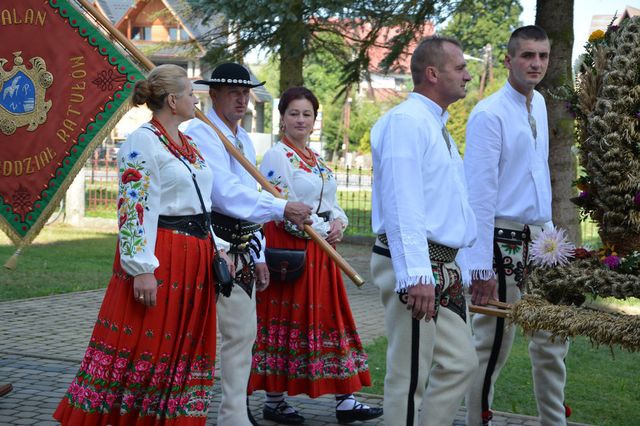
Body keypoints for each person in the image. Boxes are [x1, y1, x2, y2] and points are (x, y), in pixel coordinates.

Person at [53, 64, 233, 424]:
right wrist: (141, 268)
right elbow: (133, 209)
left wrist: (218, 246)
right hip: (161, 257)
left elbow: (202, 203)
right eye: (189, 93)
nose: (195, 99)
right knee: (147, 346)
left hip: (195, 258)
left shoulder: (189, 144)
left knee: (183, 347)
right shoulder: (142, 141)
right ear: (171, 100)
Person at [185, 63, 312, 426]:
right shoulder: (201, 133)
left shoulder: (242, 139)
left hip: (239, 250)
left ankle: (234, 415)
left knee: (242, 336)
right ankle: (181, 412)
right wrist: (281, 206)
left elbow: (249, 198)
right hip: (206, 247)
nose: (242, 99)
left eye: (246, 93)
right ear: (214, 94)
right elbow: (224, 195)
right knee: (194, 339)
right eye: (233, 92)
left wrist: (256, 251)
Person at [248, 86, 382, 425]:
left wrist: (339, 221)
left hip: (322, 253)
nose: (301, 120)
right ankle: (275, 400)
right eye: (294, 113)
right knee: (287, 323)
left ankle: (345, 398)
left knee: (331, 320)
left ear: (314, 119)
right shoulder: (278, 156)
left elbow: (330, 202)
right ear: (282, 118)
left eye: (307, 114)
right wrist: (322, 230)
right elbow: (281, 207)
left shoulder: (315, 159)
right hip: (291, 252)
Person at [462, 25, 570, 426]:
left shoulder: (539, 103)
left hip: (542, 236)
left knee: (554, 335)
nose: (536, 63)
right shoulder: (489, 114)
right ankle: (478, 420)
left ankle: (553, 421)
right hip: (500, 238)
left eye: (542, 55)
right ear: (508, 60)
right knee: (491, 343)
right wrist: (480, 268)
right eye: (527, 55)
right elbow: (478, 195)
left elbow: (537, 175)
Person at [369, 36, 478, 426]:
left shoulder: (435, 124)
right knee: (409, 373)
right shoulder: (405, 122)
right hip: (417, 267)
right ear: (432, 74)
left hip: (441, 266)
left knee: (461, 362)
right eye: (460, 67)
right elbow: (403, 203)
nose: (468, 75)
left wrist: (459, 266)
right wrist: (416, 273)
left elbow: (446, 206)